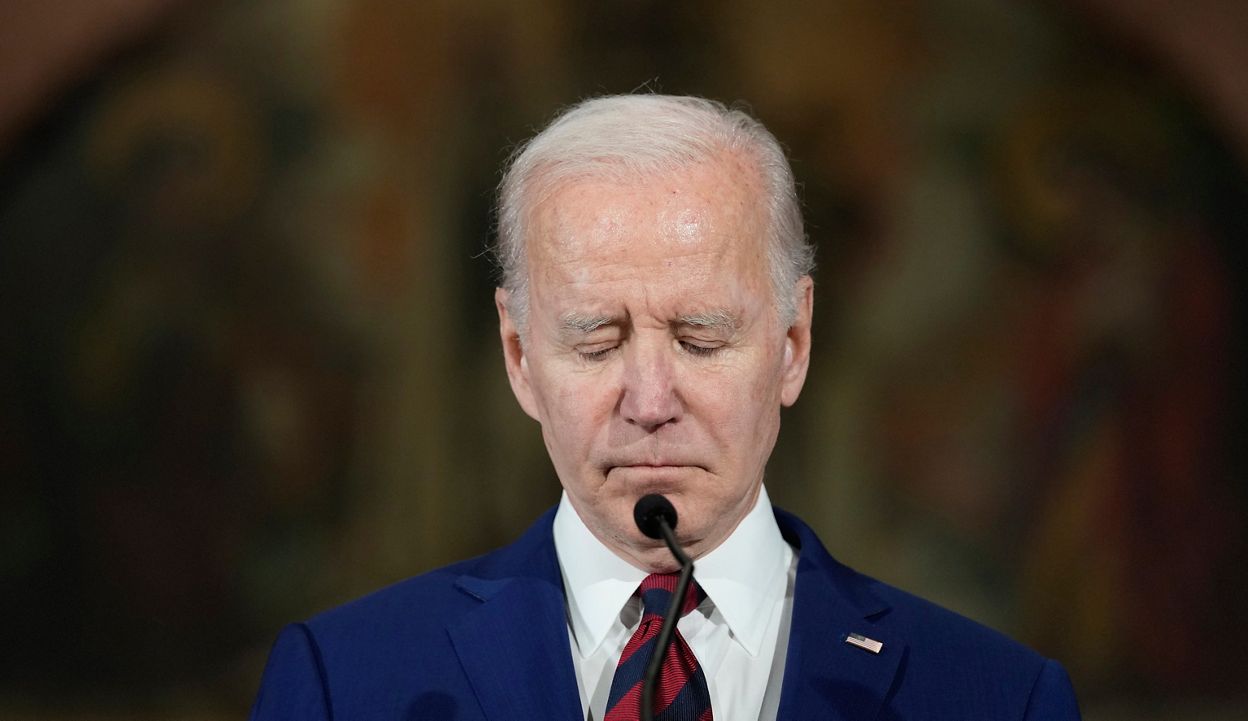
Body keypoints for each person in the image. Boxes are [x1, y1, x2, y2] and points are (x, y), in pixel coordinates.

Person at [249, 94, 1081, 721]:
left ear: (792, 343)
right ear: (519, 356)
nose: (649, 402)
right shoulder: (346, 682)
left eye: (702, 337)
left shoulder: (995, 698)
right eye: (597, 340)